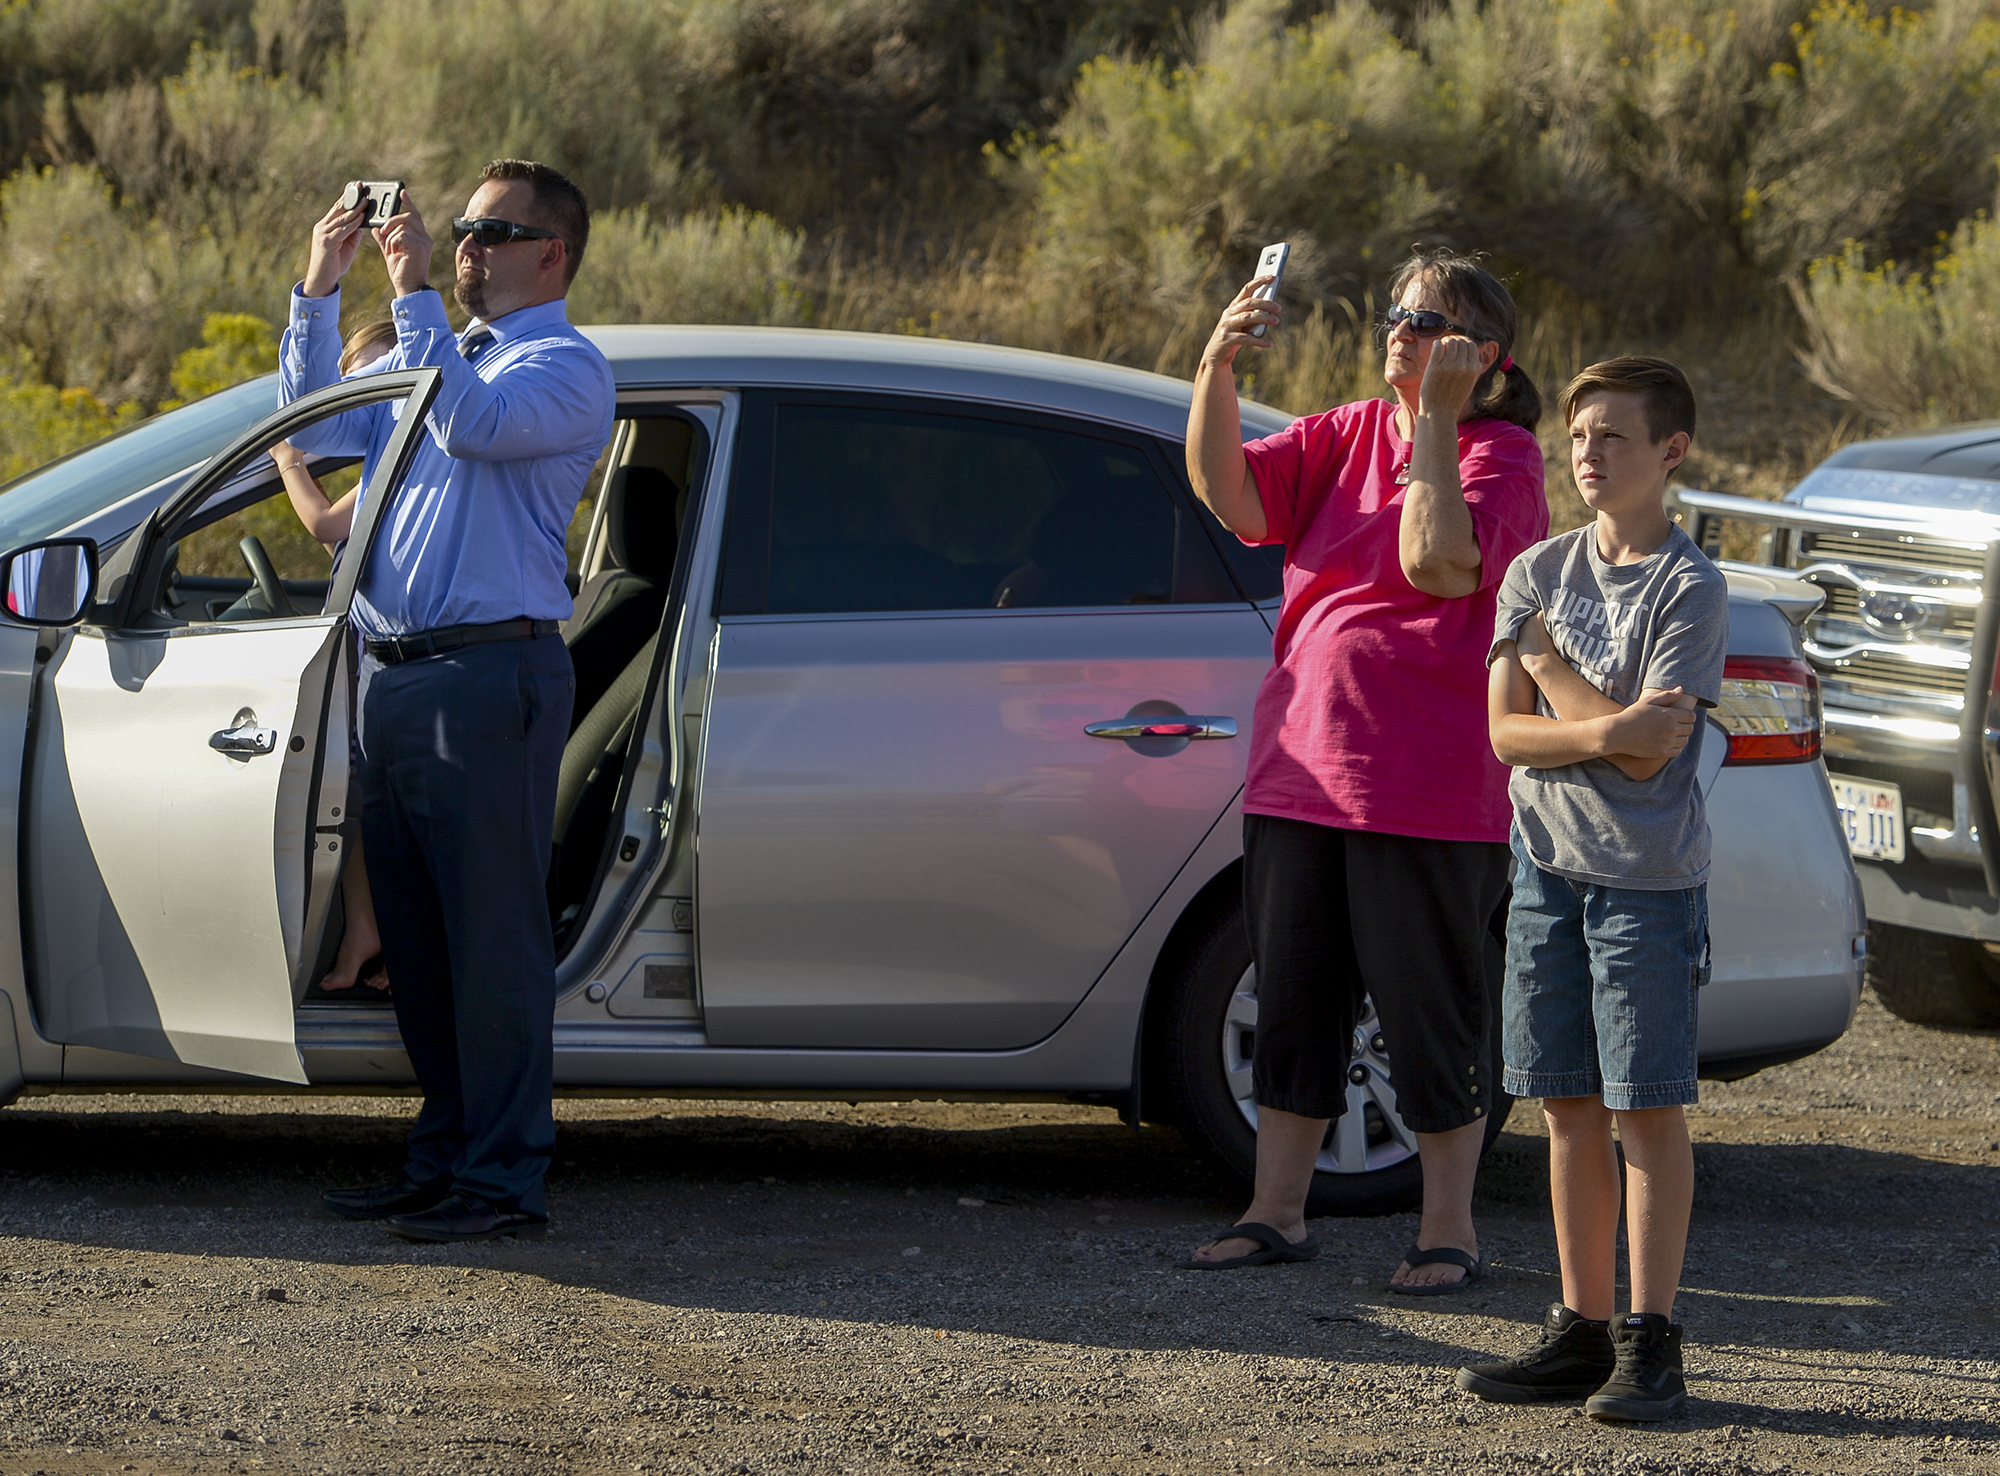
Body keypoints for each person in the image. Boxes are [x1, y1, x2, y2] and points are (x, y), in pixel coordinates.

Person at [1182, 250, 1548, 1289]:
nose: (1401, 331)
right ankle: (1275, 1213)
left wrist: (1436, 419)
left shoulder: (1499, 457)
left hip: (1423, 789)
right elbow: (1234, 501)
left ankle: (1446, 1231)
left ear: (1483, 358)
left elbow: (1437, 562)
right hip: (1302, 769)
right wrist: (1216, 370)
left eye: (1428, 323)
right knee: (1295, 1001)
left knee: (1425, 1013)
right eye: (1396, 314)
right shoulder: (1342, 431)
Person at [281, 161, 615, 1243]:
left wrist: (416, 292)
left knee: (491, 944)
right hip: (401, 674)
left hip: (487, 675)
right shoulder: (449, 350)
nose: (466, 244)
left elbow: (467, 426)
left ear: (549, 254)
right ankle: (445, 1155)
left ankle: (503, 1179)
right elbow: (321, 432)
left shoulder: (561, 366)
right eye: (461, 228)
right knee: (419, 947)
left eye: (490, 231)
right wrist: (322, 290)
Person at [1458, 356, 1725, 1419]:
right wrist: (1602, 726)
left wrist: (1562, 682)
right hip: (1544, 874)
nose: (1586, 454)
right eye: (1577, 436)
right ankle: (1577, 1327)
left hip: (1644, 886)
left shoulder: (1688, 586)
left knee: (1642, 1106)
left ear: (1669, 453)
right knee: (1564, 1102)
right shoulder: (1533, 571)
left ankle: (1649, 1339)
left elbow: (1648, 755)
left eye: (1611, 436)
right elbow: (1500, 732)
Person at [267, 319, 400, 995]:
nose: (364, 388)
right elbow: (343, 546)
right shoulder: (385, 454)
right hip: (362, 633)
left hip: (378, 644)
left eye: (379, 368)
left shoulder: (408, 445)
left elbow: (325, 525)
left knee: (365, 796)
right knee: (353, 794)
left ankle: (372, 934)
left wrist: (288, 457)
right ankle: (366, 929)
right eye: (351, 378)